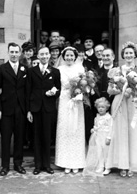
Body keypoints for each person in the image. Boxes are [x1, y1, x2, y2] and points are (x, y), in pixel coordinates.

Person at [106, 42, 137, 177]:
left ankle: (132, 166)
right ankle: (122, 165)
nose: (128, 55)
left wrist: (136, 92)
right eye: (126, 53)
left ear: (135, 55)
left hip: (135, 105)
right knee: (121, 133)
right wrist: (122, 90)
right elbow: (109, 90)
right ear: (123, 55)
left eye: (131, 53)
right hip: (121, 103)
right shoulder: (116, 71)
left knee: (134, 133)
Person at [0, 42, 27, 176]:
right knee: (6, 138)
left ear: (19, 53)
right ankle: (5, 166)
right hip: (5, 110)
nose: (14, 55)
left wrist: (27, 109)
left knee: (19, 138)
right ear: (8, 53)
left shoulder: (25, 69)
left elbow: (28, 89)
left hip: (21, 109)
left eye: (16, 52)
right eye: (11, 52)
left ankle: (18, 164)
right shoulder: (1, 69)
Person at [26, 47, 61, 175]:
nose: (45, 56)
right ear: (38, 56)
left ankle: (47, 165)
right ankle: (37, 165)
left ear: (49, 55)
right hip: (35, 108)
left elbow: (59, 90)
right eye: (42, 54)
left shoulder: (55, 72)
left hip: (48, 108)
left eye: (46, 54)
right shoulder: (31, 71)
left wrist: (54, 92)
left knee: (47, 136)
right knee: (36, 137)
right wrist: (29, 110)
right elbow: (28, 91)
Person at [55, 46, 86, 174]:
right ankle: (65, 162)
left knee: (76, 128)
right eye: (67, 55)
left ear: (75, 56)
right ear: (63, 57)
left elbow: (84, 84)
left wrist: (79, 92)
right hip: (64, 100)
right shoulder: (59, 69)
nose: (69, 58)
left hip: (77, 100)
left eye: (71, 55)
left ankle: (77, 162)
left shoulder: (80, 68)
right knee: (65, 128)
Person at [83, 97, 113, 176]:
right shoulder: (97, 117)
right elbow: (96, 126)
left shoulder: (108, 117)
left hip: (105, 136)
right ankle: (101, 166)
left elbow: (111, 128)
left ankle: (107, 167)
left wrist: (109, 137)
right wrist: (93, 129)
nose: (101, 109)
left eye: (103, 107)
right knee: (99, 152)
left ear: (106, 108)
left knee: (106, 152)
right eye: (99, 107)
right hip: (98, 136)